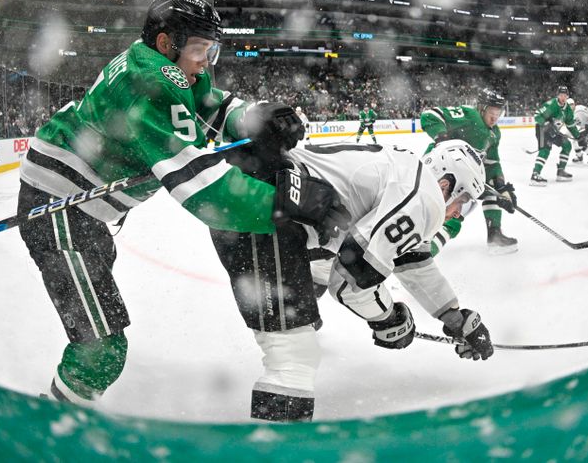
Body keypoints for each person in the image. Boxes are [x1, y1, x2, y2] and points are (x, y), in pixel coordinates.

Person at [17, 0, 346, 405]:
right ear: (165, 44)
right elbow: (208, 192)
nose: (205, 61)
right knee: (100, 352)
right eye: (199, 50)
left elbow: (212, 106)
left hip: (85, 213)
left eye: (211, 50)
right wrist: (291, 206)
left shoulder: (175, 68)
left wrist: (261, 118)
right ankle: (49, 427)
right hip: (58, 207)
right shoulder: (154, 81)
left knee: (101, 339)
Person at [210, 138, 494, 423]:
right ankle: (273, 447)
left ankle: (300, 308)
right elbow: (352, 277)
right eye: (464, 201)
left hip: (253, 192)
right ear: (445, 184)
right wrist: (387, 318)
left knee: (307, 305)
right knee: (293, 357)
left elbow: (411, 259)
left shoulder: (407, 172)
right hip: (266, 208)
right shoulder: (427, 198)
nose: (459, 213)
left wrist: (454, 317)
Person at [420, 89, 518, 255]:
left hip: (462, 180)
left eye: (498, 113)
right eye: (491, 112)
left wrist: (501, 186)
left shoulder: (494, 133)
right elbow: (430, 115)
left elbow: (492, 163)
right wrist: (442, 138)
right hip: (440, 170)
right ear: (481, 108)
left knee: (473, 200)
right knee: (432, 210)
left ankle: (494, 235)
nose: (495, 117)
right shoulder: (470, 116)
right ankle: (418, 245)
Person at [531, 86, 580, 186]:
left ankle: (561, 172)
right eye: (561, 95)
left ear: (567, 96)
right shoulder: (552, 105)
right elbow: (537, 115)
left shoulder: (567, 110)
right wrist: (547, 125)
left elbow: (570, 124)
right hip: (542, 129)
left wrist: (578, 137)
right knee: (545, 149)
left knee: (567, 145)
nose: (562, 97)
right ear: (558, 95)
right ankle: (535, 175)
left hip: (554, 131)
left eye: (564, 95)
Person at [570, 100, 588, 165]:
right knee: (575, 141)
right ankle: (579, 157)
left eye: (572, 104)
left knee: (581, 142)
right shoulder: (570, 114)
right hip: (584, 128)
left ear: (574, 104)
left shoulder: (579, 108)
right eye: (569, 105)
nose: (571, 106)